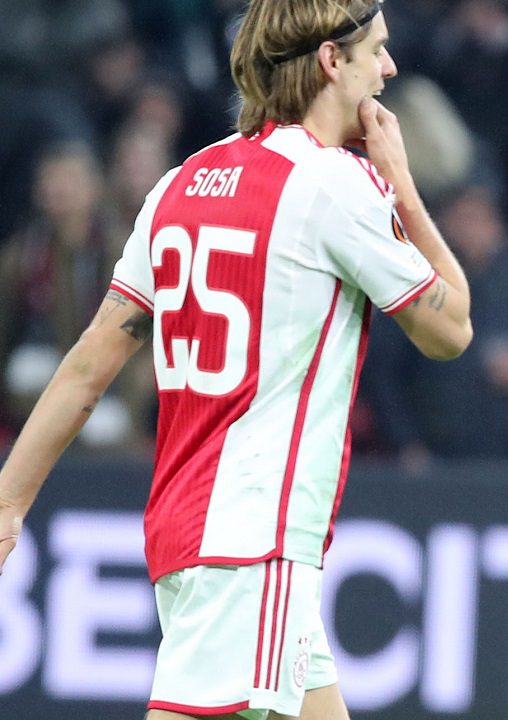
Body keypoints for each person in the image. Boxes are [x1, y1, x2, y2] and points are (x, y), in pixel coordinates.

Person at [0, 1, 472, 718]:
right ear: (330, 62)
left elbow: (88, 365)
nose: (389, 68)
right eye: (375, 50)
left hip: (191, 531)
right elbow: (451, 330)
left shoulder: (179, 185)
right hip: (255, 542)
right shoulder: (334, 184)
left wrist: (10, 499)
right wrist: (402, 183)